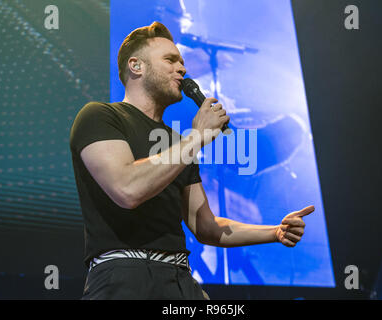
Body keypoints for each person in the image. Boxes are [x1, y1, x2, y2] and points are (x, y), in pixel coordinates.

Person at [69, 21, 315, 300]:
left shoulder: (177, 142)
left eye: (182, 62)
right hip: (124, 277)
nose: (182, 69)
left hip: (180, 280)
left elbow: (206, 226)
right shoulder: (100, 116)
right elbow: (127, 189)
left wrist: (275, 232)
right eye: (170, 60)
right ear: (136, 66)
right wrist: (196, 137)